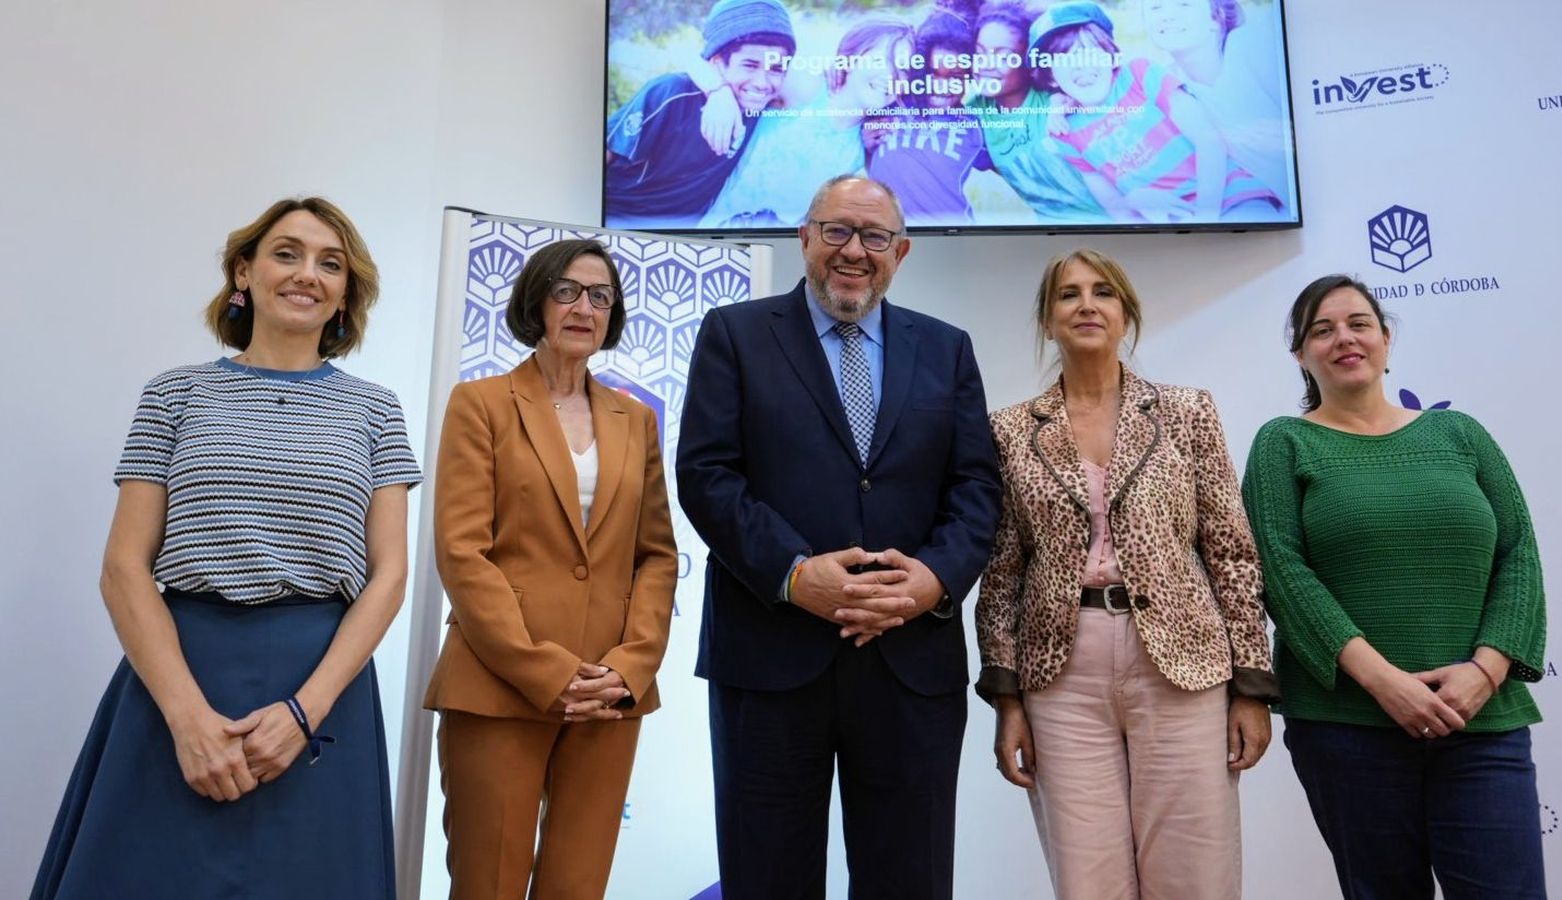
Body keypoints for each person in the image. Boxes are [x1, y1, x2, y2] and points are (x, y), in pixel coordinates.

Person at [31, 198, 420, 899]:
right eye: (287, 253)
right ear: (244, 272)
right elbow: (123, 568)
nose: (307, 274)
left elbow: (388, 576)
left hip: (322, 690)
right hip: (179, 677)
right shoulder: (174, 395)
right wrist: (188, 722)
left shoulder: (375, 410)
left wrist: (304, 713)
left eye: (331, 264)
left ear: (345, 294)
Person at [677, 175, 1002, 899]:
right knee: (766, 878)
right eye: (836, 231)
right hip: (768, 657)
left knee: (908, 879)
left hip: (908, 660)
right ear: (804, 237)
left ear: (902, 251)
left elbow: (977, 487)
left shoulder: (947, 350)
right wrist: (795, 574)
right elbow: (706, 476)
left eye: (874, 237)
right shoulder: (734, 333)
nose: (854, 251)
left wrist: (934, 581)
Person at [976, 249, 1276, 900]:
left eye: (1104, 292)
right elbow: (1001, 573)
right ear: (1047, 321)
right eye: (1068, 295)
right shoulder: (1006, 432)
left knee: (1194, 876)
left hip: (1184, 664)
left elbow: (1230, 549)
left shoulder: (1187, 412)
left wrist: (1252, 684)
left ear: (1126, 315)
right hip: (1061, 677)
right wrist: (1007, 699)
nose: (1087, 304)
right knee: (1089, 883)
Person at [1241, 276, 1547, 900]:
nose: (1343, 338)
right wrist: (1385, 682)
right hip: (1349, 728)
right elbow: (1282, 571)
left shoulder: (1459, 434)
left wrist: (1485, 673)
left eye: (1358, 322)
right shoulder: (1284, 443)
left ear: (1385, 338)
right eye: (1321, 330)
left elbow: (1518, 555)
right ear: (1300, 355)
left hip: (1481, 720)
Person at [425, 240, 677, 900]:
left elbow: (656, 554)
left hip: (607, 696)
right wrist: (547, 671)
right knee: (489, 887)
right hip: (499, 686)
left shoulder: (637, 420)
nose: (583, 307)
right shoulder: (479, 402)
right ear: (536, 300)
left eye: (599, 296)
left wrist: (632, 666)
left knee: (577, 888)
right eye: (566, 290)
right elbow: (461, 552)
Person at [1030, 2, 1279, 223]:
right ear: (1050, 76)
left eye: (1089, 52)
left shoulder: (1139, 74)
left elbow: (1209, 140)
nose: (1081, 66)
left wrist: (1206, 217)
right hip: (1173, 223)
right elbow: (1117, 209)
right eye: (1062, 60)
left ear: (1110, 53)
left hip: (1232, 198)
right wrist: (1134, 200)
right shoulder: (1066, 132)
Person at [698, 20, 913, 229]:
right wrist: (719, 92)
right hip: (715, 238)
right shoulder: (806, 88)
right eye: (881, 61)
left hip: (779, 249)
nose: (891, 76)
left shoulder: (865, 147)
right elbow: (696, 60)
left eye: (903, 68)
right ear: (851, 58)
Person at [604, 0, 795, 229]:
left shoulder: (765, 106)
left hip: (693, 237)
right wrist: (719, 91)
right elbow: (598, 161)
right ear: (716, 62)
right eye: (749, 65)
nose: (762, 83)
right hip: (622, 225)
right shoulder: (671, 93)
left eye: (775, 68)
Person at [1140, 0, 1294, 207]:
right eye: (1155, 8)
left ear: (1217, 16)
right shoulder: (1168, 87)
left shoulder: (1251, 47)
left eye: (1184, 4)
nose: (1167, 16)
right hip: (1269, 206)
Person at [965, 0, 1106, 225]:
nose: (986, 65)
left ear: (1028, 61)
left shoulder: (1059, 99)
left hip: (1110, 222)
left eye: (1004, 56)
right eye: (980, 53)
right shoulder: (974, 113)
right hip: (1051, 236)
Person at [866, 8, 989, 227]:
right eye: (932, 74)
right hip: (886, 233)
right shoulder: (890, 103)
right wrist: (866, 144)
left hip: (951, 234)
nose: (942, 86)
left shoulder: (973, 126)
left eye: (956, 76)